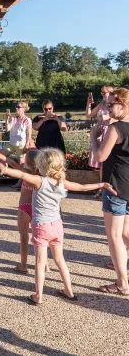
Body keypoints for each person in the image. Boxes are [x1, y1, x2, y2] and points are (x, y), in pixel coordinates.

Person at [0, 148, 115, 304]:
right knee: (60, 260)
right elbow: (81, 187)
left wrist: (5, 169)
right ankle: (69, 291)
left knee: (40, 262)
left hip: (41, 226)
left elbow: (22, 175)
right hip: (57, 225)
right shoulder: (62, 183)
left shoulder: (40, 181)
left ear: (42, 165)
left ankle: (38, 295)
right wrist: (102, 184)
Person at [92, 87, 129, 295]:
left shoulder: (117, 129)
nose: (107, 107)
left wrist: (94, 137)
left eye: (111, 104)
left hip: (114, 185)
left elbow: (99, 157)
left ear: (122, 106)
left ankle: (122, 283)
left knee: (114, 234)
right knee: (125, 233)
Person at [0, 146, 41, 273]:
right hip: (38, 209)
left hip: (24, 208)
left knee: (24, 237)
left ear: (27, 162)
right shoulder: (42, 176)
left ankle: (23, 265)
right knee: (40, 241)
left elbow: (11, 162)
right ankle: (44, 265)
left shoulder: (25, 173)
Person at [87, 86, 114, 195]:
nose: (102, 94)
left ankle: (108, 186)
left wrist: (107, 117)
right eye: (101, 92)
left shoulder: (114, 105)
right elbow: (88, 115)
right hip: (100, 133)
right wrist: (88, 104)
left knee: (110, 162)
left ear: (111, 93)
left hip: (110, 132)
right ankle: (102, 187)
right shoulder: (101, 104)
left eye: (104, 93)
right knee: (102, 164)